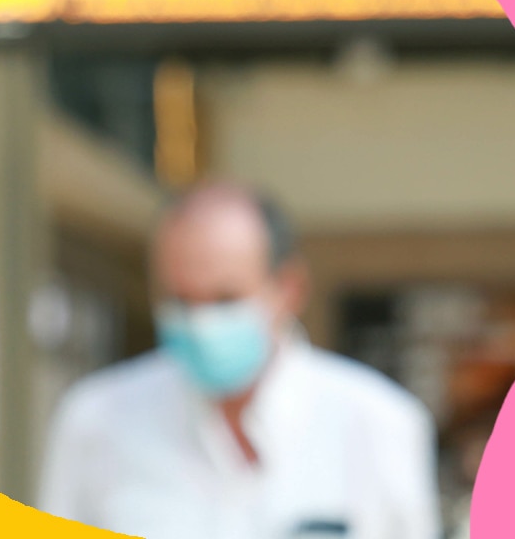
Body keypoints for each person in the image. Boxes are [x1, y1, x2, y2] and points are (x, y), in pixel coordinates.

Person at [40, 182, 440, 539]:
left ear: (288, 288)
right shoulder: (96, 421)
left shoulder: (379, 425)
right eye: (180, 300)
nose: (199, 324)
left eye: (225, 299)